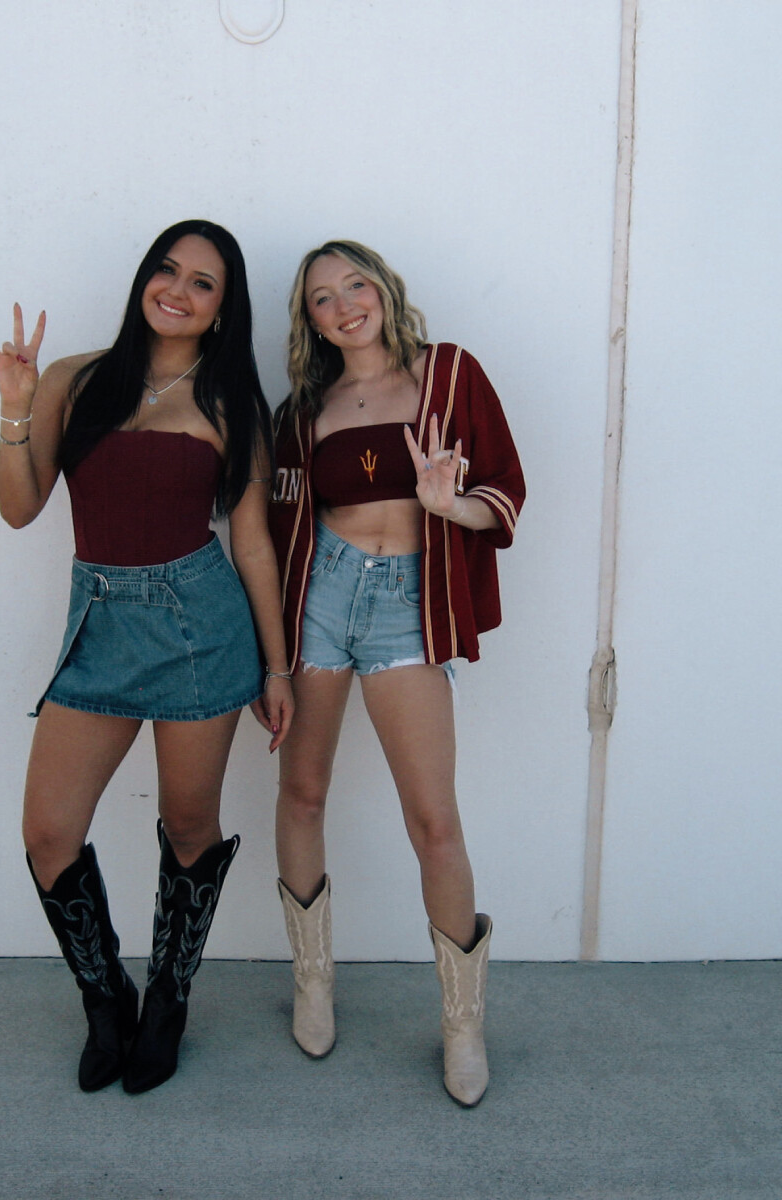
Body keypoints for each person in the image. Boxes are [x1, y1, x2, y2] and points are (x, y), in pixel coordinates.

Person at [0, 220, 294, 1095]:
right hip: (99, 627)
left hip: (200, 628)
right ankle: (104, 998)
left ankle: (167, 1002)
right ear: (144, 278)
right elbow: (19, 509)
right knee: (49, 833)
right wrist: (15, 404)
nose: (178, 291)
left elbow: (254, 546)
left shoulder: (233, 404)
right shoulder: (74, 378)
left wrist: (276, 670)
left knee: (190, 827)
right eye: (168, 270)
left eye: (203, 283)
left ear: (222, 309)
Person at [267, 240, 524, 1106]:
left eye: (355, 285)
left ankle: (463, 1026)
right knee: (303, 793)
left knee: (434, 821)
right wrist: (272, 657)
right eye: (323, 298)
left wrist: (451, 505)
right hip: (322, 597)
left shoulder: (448, 375)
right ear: (310, 321)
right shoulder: (303, 410)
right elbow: (278, 527)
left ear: (383, 289)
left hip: (407, 604)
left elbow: (506, 488)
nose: (345, 305)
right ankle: (312, 982)